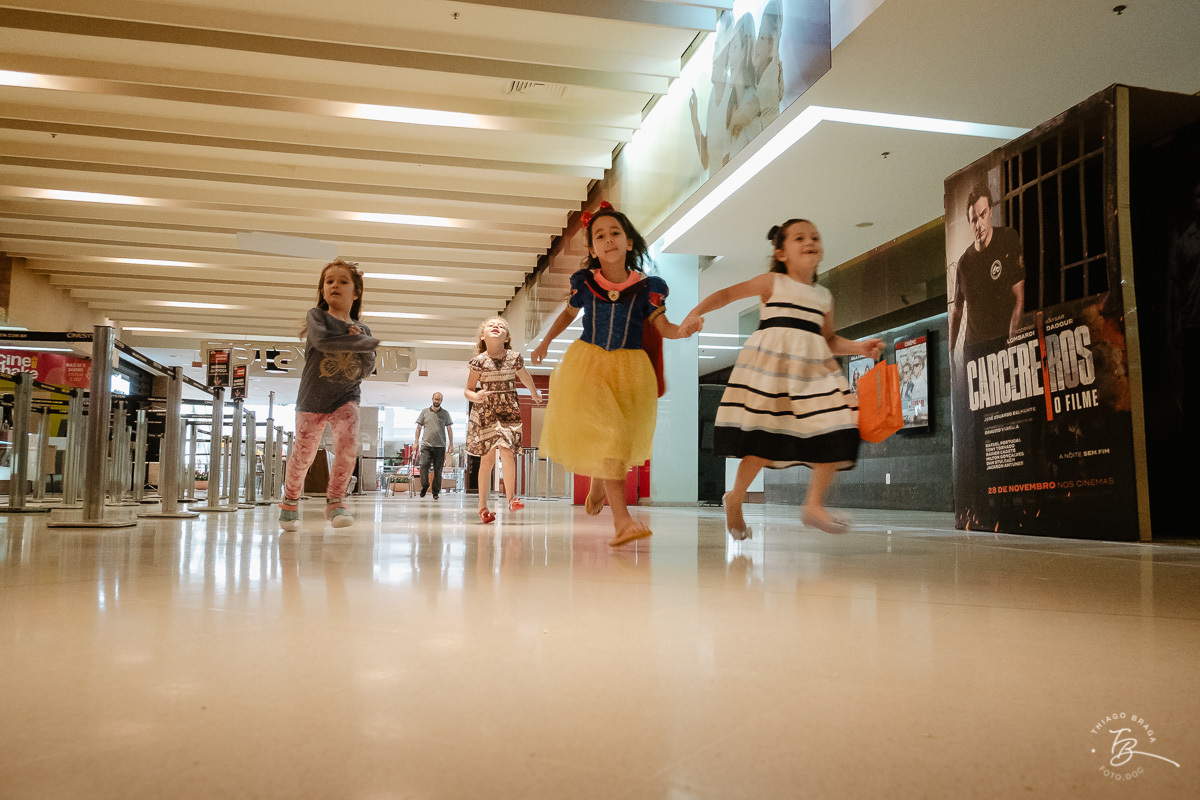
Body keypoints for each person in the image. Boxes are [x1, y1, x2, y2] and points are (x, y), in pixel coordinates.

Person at [682, 219, 883, 537]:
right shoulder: (772, 282)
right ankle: (735, 497)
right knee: (763, 440)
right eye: (799, 238)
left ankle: (813, 505)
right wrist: (695, 312)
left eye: (814, 237)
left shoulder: (823, 296)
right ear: (781, 253)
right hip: (772, 371)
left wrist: (859, 347)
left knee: (839, 425)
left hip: (812, 373)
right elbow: (727, 293)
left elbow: (828, 339)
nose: (810, 241)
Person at [532, 202, 698, 546]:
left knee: (617, 439)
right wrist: (546, 342)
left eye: (615, 233)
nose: (608, 239)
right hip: (590, 366)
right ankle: (622, 521)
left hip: (631, 371)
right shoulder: (586, 283)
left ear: (629, 242)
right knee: (612, 437)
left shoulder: (647, 288)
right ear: (592, 249)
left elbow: (663, 326)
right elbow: (568, 314)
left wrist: (682, 331)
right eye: (600, 236)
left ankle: (598, 482)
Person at [278, 259, 378, 532]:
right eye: (329, 281)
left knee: (347, 446)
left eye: (343, 281)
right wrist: (360, 342)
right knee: (304, 454)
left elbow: (368, 369)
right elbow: (322, 341)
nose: (335, 285)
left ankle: (336, 501)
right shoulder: (317, 317)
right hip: (313, 398)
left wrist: (363, 342)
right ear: (322, 290)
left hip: (347, 396)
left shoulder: (363, 330)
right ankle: (290, 501)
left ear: (356, 292)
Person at [465, 317, 543, 524]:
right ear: (483, 336)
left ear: (506, 337)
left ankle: (511, 498)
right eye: (491, 326)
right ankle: (482, 506)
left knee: (508, 451)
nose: (495, 327)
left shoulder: (514, 357)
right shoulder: (479, 361)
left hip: (508, 409)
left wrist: (534, 392)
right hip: (486, 410)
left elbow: (525, 377)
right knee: (487, 459)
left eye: (500, 326)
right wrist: (476, 397)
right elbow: (468, 389)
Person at [948, 185, 1025, 356]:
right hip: (974, 353)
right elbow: (956, 311)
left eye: (982, 214)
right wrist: (951, 352)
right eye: (974, 220)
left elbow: (1018, 298)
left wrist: (1012, 344)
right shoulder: (964, 263)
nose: (979, 225)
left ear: (990, 211)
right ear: (969, 222)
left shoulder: (1007, 239)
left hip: (1002, 347)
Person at [414, 392, 453, 498]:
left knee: (438, 469)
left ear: (441, 400)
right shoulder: (424, 412)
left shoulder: (445, 413)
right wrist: (416, 442)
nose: (437, 401)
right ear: (432, 399)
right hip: (426, 445)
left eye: (439, 399)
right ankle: (425, 486)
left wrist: (451, 444)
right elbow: (418, 428)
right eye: (435, 399)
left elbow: (449, 429)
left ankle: (435, 492)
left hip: (440, 446)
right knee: (423, 465)